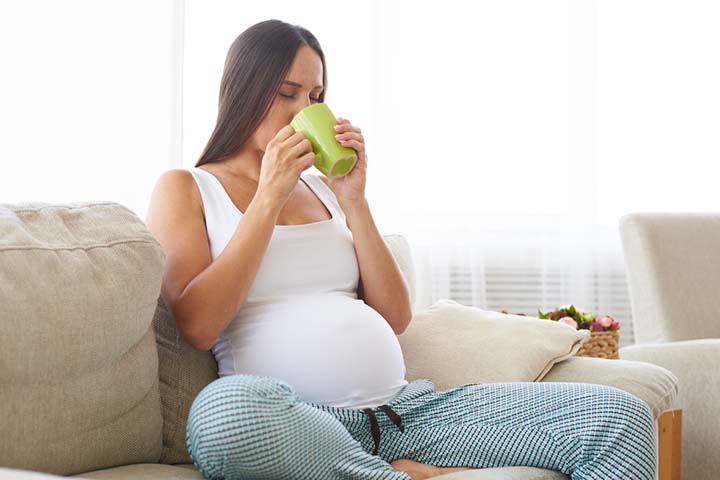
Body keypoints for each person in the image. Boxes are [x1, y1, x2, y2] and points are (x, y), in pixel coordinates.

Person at [145, 19, 657, 480]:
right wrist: (268, 197)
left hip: (406, 414)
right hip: (302, 431)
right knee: (221, 417)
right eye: (288, 92)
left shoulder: (324, 190)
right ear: (244, 92)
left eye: (317, 97)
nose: (306, 111)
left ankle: (381, 469)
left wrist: (355, 201)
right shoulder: (188, 188)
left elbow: (394, 315)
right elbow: (197, 324)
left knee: (620, 416)